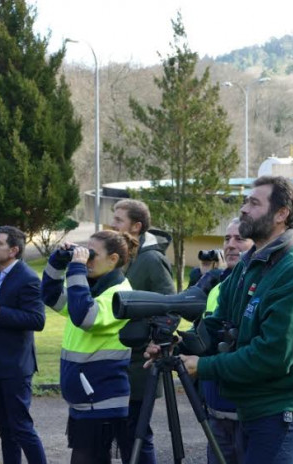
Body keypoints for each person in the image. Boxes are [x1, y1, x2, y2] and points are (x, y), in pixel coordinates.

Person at [152, 176, 293, 464]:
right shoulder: (250, 263)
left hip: (281, 411)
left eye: (254, 203)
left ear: (281, 214)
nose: (244, 208)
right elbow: (218, 323)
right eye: (246, 201)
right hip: (250, 407)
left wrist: (204, 367)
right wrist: (176, 347)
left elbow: (273, 356)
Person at [41, 230, 139, 464]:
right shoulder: (94, 289)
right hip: (86, 398)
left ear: (113, 259)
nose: (86, 259)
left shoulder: (120, 295)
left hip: (102, 400)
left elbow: (86, 317)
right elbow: (50, 296)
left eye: (91, 254)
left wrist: (76, 269)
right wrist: (58, 261)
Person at [0, 226, 47, 464]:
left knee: (21, 428)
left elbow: (37, 320)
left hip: (16, 366)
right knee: (6, 431)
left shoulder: (28, 279)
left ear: (13, 250)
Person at [110, 198, 174, 464]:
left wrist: (154, 342)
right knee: (123, 435)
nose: (112, 224)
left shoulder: (152, 260)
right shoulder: (124, 258)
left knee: (137, 435)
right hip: (118, 362)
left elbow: (170, 307)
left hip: (140, 364)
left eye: (118, 220)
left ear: (136, 226)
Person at [198, 218, 254, 464]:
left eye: (239, 239)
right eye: (226, 238)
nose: (230, 245)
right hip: (215, 407)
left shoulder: (258, 284)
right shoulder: (218, 287)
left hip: (247, 411)